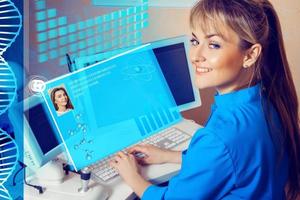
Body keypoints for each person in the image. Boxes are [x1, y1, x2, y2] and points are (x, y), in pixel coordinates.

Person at [109, 0, 300, 199]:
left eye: (213, 44)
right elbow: (234, 163)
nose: (195, 56)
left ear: (250, 55)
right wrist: (169, 156)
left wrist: (132, 177)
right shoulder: (268, 101)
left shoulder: (219, 136)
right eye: (195, 41)